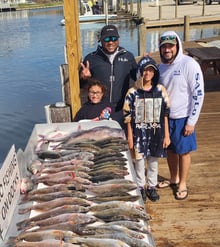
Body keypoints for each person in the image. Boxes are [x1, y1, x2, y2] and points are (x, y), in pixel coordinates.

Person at [158, 31, 204, 200]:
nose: (167, 50)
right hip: (166, 117)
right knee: (170, 150)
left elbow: (198, 94)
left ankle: (182, 183)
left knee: (183, 152)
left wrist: (191, 121)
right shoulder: (161, 68)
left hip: (184, 116)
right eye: (164, 47)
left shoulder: (189, 64)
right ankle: (173, 177)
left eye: (171, 45)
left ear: (177, 45)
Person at [123, 56, 170, 202]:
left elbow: (166, 113)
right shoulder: (132, 92)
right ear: (140, 72)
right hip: (138, 133)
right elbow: (127, 116)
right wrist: (130, 136)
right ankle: (140, 186)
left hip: (156, 132)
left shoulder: (161, 90)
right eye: (144, 70)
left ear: (155, 72)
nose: (147, 73)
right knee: (139, 161)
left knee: (153, 161)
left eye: (150, 70)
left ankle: (151, 186)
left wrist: (167, 135)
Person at [79, 24, 137, 128]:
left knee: (120, 140)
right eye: (106, 39)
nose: (111, 42)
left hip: (121, 109)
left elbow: (139, 78)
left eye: (114, 38)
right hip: (98, 109)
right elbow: (81, 85)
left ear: (118, 39)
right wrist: (83, 77)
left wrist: (145, 65)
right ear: (101, 40)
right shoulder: (91, 59)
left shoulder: (128, 57)